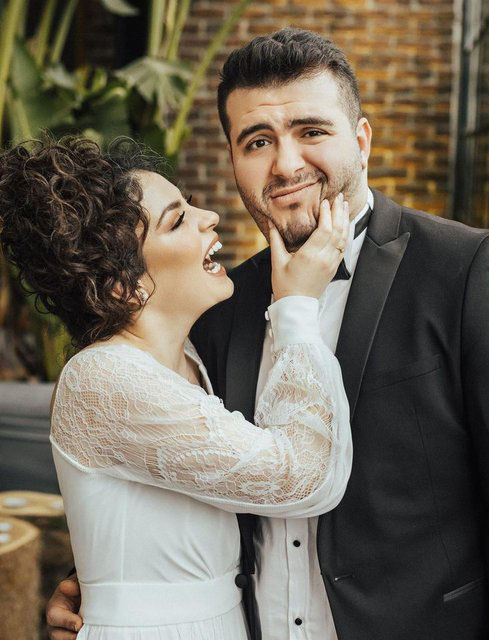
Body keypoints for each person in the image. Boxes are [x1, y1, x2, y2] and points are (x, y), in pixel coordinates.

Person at [47, 27, 489, 640]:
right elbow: (176, 471)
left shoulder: (469, 271)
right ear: (233, 158)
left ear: (362, 141)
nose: (286, 164)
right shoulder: (215, 306)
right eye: (259, 141)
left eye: (311, 131)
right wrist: (101, 585)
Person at [0, 136, 354, 639]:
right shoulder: (103, 380)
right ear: (124, 286)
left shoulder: (189, 356)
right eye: (177, 220)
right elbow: (300, 477)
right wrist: (297, 307)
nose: (209, 216)